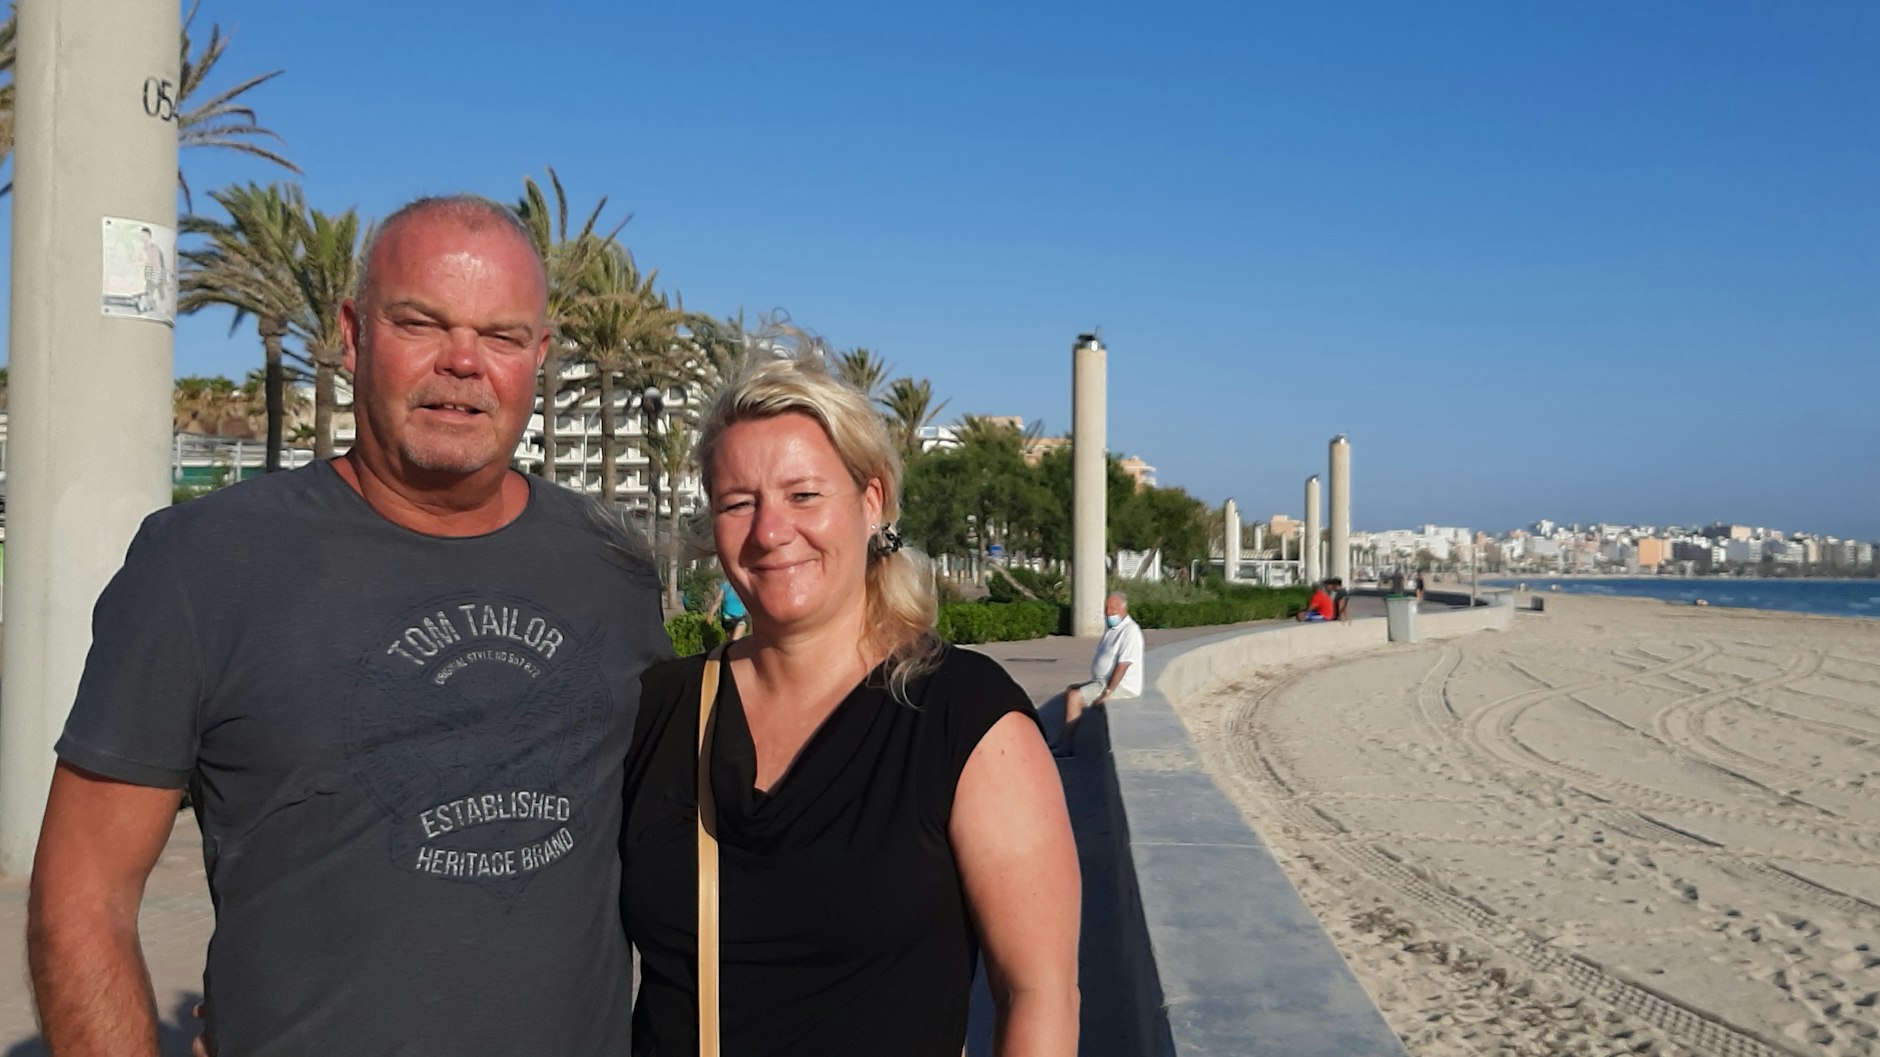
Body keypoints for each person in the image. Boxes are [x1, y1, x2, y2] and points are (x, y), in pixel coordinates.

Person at [28, 195, 671, 1057]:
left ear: (540, 357)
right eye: (421, 322)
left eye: (503, 336)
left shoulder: (612, 570)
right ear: (355, 333)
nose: (464, 362)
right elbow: (82, 895)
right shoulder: (201, 563)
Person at [622, 356, 1080, 1056]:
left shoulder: (966, 716)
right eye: (738, 501)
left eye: (804, 495)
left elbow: (1038, 993)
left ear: (872, 502)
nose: (771, 531)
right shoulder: (665, 707)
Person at [1055, 592, 1143, 756]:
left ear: (1124, 609)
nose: (1109, 612)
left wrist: (1108, 692)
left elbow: (1122, 665)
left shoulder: (1130, 632)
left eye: (1113, 608)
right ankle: (1062, 739)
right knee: (1070, 690)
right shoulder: (1113, 629)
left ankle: (1066, 747)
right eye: (1106, 608)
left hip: (1120, 686)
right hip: (1102, 681)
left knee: (1075, 697)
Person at [708, 574, 749, 640]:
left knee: (734, 640)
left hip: (740, 618)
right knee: (730, 642)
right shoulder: (725, 586)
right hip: (727, 618)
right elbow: (718, 600)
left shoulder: (744, 585)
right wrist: (711, 614)